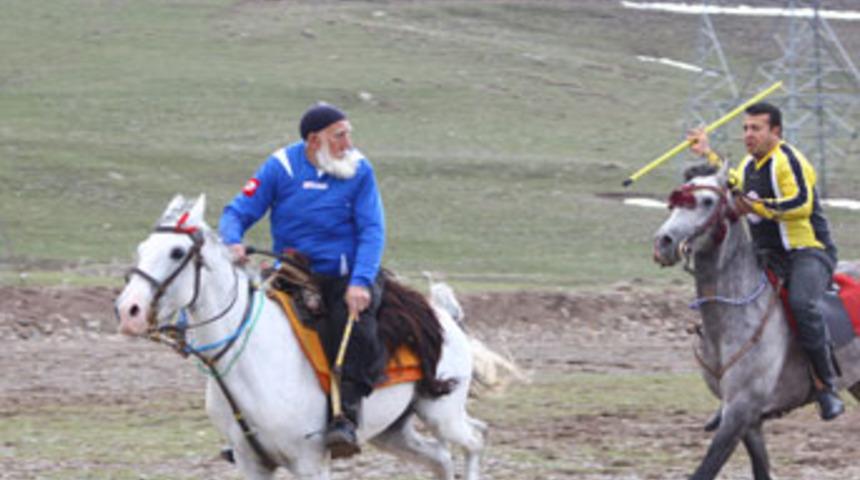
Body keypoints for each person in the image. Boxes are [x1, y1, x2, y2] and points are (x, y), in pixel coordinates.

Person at [219, 102, 387, 457]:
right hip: (293, 272)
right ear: (314, 140)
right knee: (251, 331)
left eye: (348, 134)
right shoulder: (280, 167)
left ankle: (346, 418)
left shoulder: (359, 169)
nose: (348, 142)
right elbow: (238, 210)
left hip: (345, 276)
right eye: (339, 135)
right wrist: (232, 240)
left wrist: (360, 282)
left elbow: (373, 229)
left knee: (352, 328)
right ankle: (252, 430)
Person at [688, 101, 844, 422]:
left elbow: (801, 203)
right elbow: (732, 181)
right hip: (769, 256)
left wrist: (758, 207)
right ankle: (737, 393)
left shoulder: (790, 161)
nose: (748, 134)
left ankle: (825, 385)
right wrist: (708, 154)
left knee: (802, 304)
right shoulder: (748, 166)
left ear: (776, 131)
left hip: (808, 252)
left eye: (756, 128)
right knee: (737, 305)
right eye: (745, 128)